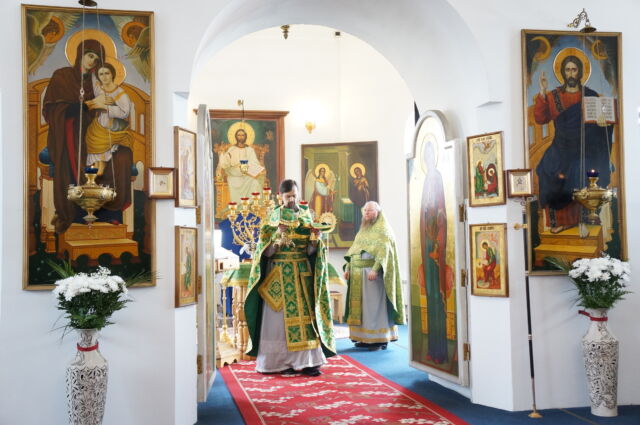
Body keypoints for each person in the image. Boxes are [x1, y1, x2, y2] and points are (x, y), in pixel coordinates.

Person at [244, 179, 336, 376]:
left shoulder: (306, 217)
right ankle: (278, 363)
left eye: (294, 195)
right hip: (278, 275)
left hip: (301, 275)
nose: (292, 199)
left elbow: (310, 252)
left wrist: (316, 238)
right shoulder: (272, 218)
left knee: (306, 320)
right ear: (280, 197)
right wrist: (278, 234)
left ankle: (308, 362)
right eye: (288, 196)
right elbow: (265, 253)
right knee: (278, 322)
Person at [534, 55, 613, 234]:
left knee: (582, 168)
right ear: (563, 72)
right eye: (568, 70)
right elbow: (540, 118)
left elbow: (602, 121)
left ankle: (584, 218)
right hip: (561, 146)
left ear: (580, 72)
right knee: (546, 168)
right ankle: (560, 221)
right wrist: (542, 92)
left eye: (574, 70)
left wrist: (604, 123)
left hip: (585, 147)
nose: (571, 73)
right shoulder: (554, 96)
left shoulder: (590, 95)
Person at [42, 39, 105, 234]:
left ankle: (95, 212)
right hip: (66, 131)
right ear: (80, 54)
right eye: (90, 55)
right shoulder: (62, 75)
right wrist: (81, 106)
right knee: (70, 166)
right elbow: (53, 108)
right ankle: (68, 212)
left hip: (88, 133)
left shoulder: (95, 83)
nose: (92, 61)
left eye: (96, 59)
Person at [343, 201, 405, 350]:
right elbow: (354, 250)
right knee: (363, 309)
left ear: (378, 212)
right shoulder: (363, 230)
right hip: (358, 276)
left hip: (372, 276)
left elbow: (384, 252)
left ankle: (379, 339)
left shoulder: (384, 230)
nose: (366, 213)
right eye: (365, 210)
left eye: (370, 210)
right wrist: (348, 268)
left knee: (374, 307)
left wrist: (376, 269)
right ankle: (364, 338)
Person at [84, 62, 134, 214]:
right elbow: (93, 79)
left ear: (112, 74)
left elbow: (125, 112)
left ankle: (101, 196)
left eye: (107, 73)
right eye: (101, 74)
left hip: (111, 132)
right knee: (93, 166)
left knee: (102, 167)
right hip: (96, 129)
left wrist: (106, 107)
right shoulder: (99, 89)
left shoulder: (120, 93)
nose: (104, 77)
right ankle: (90, 192)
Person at [420, 141, 449, 365]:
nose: (429, 158)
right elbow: (424, 213)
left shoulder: (437, 177)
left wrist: (438, 244)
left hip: (436, 245)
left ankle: (441, 351)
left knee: (438, 297)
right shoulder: (425, 180)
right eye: (426, 155)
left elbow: (440, 212)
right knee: (430, 296)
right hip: (427, 243)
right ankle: (432, 348)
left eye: (431, 154)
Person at [217, 128, 265, 204]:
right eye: (239, 135)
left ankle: (252, 205)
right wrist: (222, 152)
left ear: (245, 137)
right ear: (236, 137)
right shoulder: (231, 149)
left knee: (255, 182)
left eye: (242, 135)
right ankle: (237, 206)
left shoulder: (249, 150)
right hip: (234, 174)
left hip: (247, 174)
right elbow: (225, 163)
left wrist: (246, 166)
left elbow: (254, 163)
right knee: (235, 178)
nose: (241, 137)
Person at [349, 165, 370, 233]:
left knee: (363, 215)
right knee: (357, 215)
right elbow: (353, 189)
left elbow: (367, 187)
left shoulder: (364, 179)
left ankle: (363, 231)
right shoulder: (355, 180)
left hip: (363, 199)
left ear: (361, 171)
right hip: (356, 199)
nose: (357, 173)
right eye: (355, 172)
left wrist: (363, 186)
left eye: (358, 171)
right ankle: (357, 231)